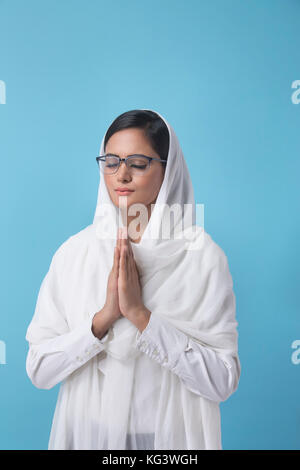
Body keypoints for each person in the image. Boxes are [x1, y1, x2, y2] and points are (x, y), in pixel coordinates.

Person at [25, 109, 241, 450]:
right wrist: (103, 319)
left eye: (138, 163)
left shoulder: (202, 257)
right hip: (88, 437)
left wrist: (142, 317)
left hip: (169, 443)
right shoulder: (75, 254)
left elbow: (222, 381)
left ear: (167, 171)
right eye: (111, 162)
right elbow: (39, 369)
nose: (121, 175)